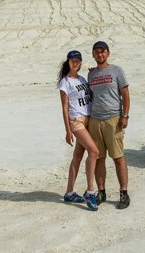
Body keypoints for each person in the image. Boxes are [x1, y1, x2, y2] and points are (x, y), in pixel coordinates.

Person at [87, 40, 131, 209]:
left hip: (113, 119)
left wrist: (125, 115)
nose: (100, 54)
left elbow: (126, 95)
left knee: (118, 157)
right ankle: (101, 192)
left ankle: (124, 193)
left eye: (103, 51)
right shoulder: (91, 74)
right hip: (95, 120)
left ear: (108, 53)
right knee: (98, 158)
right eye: (97, 52)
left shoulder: (117, 71)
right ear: (93, 55)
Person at [58, 50, 100, 211]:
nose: (75, 63)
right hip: (76, 121)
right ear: (68, 62)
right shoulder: (65, 82)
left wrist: (93, 72)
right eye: (72, 60)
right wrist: (68, 130)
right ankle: (91, 191)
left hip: (88, 119)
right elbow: (64, 107)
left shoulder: (82, 79)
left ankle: (69, 192)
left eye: (78, 60)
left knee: (78, 155)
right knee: (94, 152)